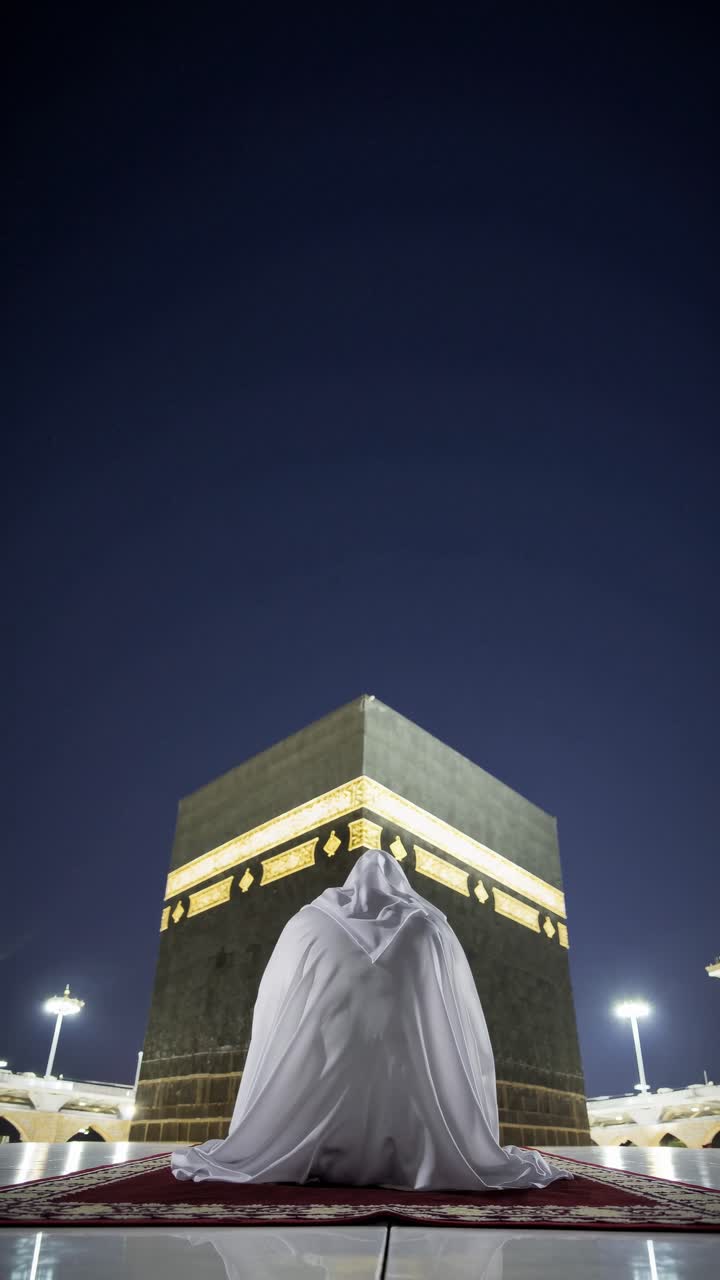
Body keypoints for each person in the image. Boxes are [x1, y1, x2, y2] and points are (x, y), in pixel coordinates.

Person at [171, 848, 569, 1191]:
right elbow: (462, 1018)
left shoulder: (307, 923)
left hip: (316, 1078)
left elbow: (275, 1008)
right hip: (422, 1117)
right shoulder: (431, 928)